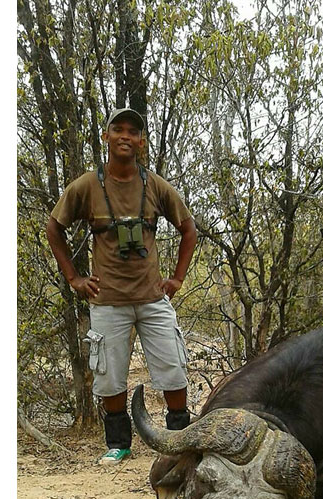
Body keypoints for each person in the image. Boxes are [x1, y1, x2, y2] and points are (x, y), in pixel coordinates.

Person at [46, 107, 197, 465]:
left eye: (133, 131)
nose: (125, 136)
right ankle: (118, 443)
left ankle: (178, 439)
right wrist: (74, 278)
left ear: (142, 141)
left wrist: (176, 278)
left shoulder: (155, 185)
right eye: (118, 129)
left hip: (152, 297)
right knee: (109, 376)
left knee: (173, 367)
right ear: (106, 136)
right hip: (108, 299)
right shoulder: (87, 185)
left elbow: (188, 228)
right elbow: (54, 228)